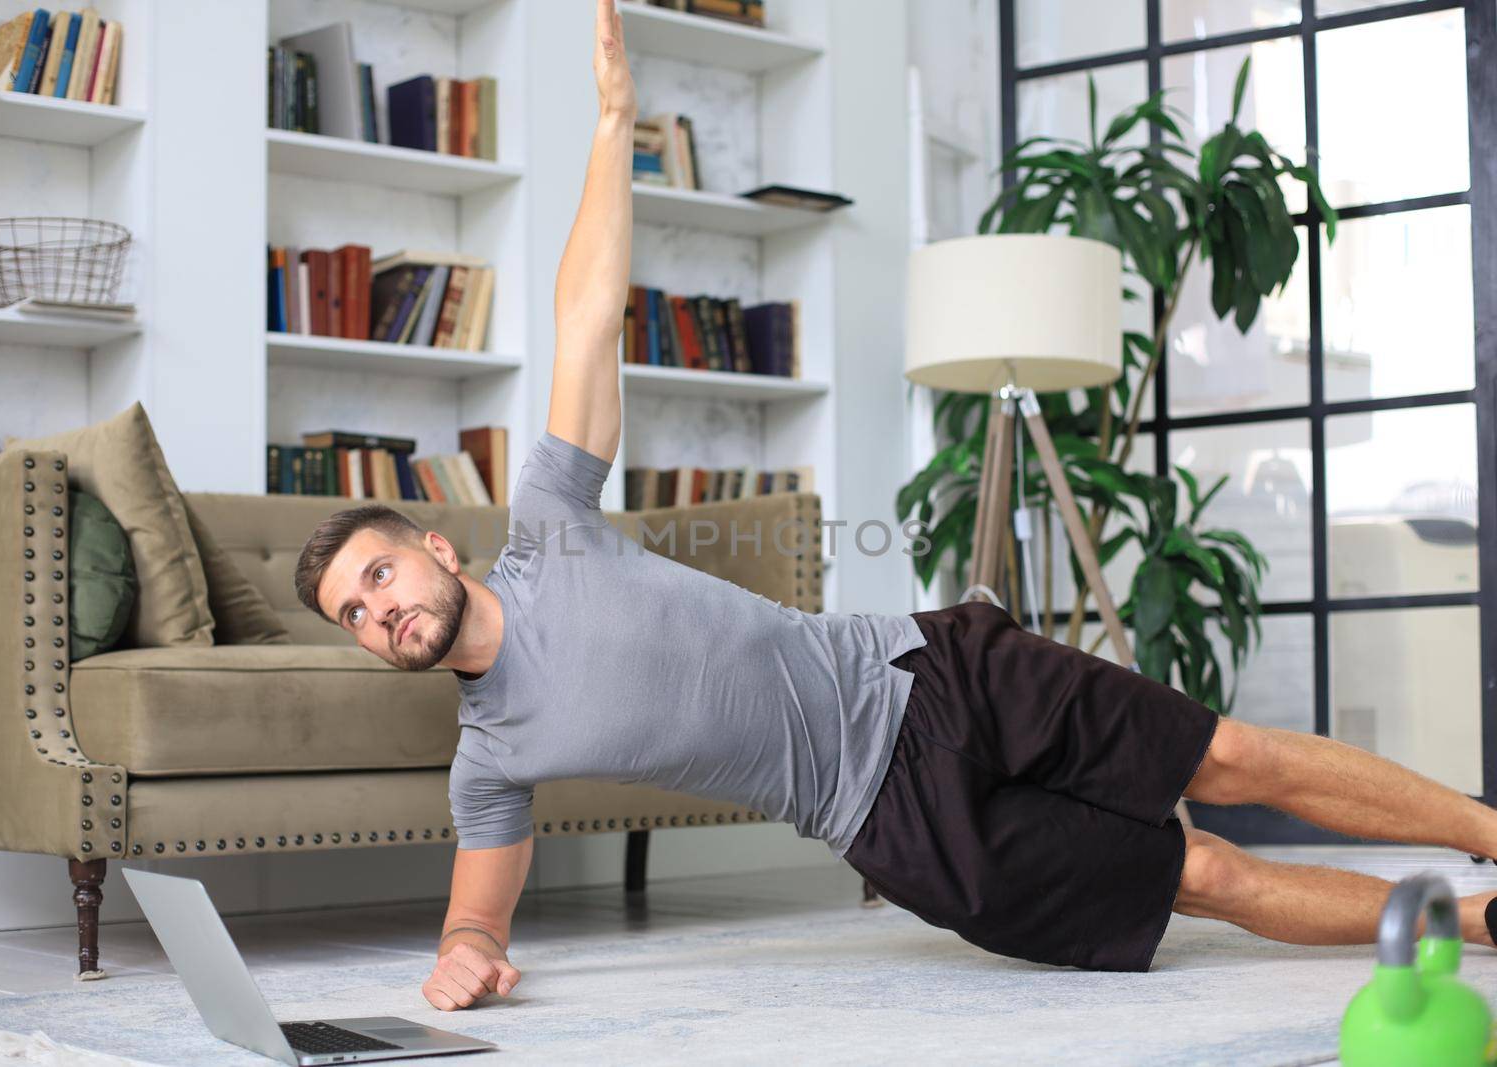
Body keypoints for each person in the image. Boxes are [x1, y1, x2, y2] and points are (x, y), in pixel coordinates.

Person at [293, 0, 1497, 1013]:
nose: (380, 612)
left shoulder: (549, 519)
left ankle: (1488, 830)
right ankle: (1483, 924)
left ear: (437, 548)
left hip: (929, 668)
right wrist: (463, 950)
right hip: (893, 822)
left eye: (380, 577)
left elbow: (583, 317)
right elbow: (476, 906)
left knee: (1227, 750)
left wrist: (614, 127)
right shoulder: (490, 756)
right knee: (1205, 872)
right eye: (356, 613)